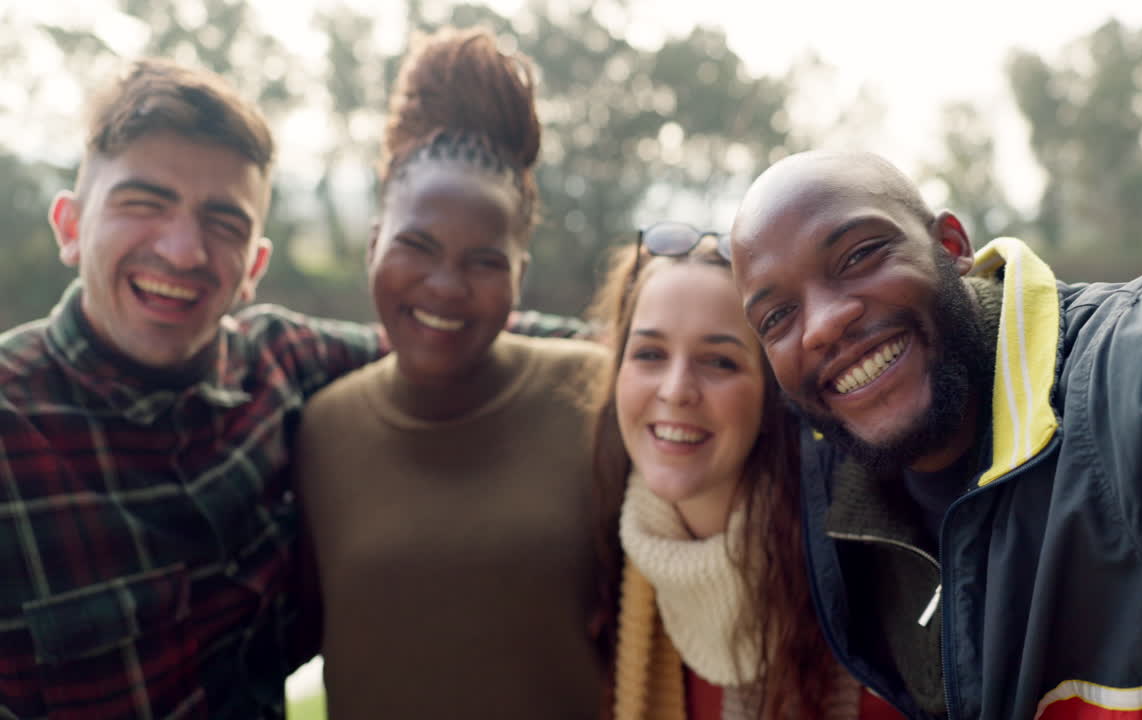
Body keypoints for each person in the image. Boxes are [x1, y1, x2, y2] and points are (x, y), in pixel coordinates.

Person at [0, 56, 581, 720]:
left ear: (255, 266)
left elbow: (450, 332)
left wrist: (664, 347)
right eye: (144, 204)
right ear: (71, 227)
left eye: (224, 222)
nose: (184, 250)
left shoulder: (284, 366)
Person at [727, 149, 1142, 719]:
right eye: (776, 317)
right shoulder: (828, 498)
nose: (822, 324)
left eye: (860, 255)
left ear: (952, 248)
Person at [292, 27, 608, 719]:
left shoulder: (594, 397)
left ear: (520, 275)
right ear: (374, 243)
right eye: (417, 246)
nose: (445, 286)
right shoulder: (321, 428)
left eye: (485, 262)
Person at [590, 222, 903, 719]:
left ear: (773, 394)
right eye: (649, 354)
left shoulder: (865, 574)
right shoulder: (597, 562)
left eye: (719, 362)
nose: (675, 390)